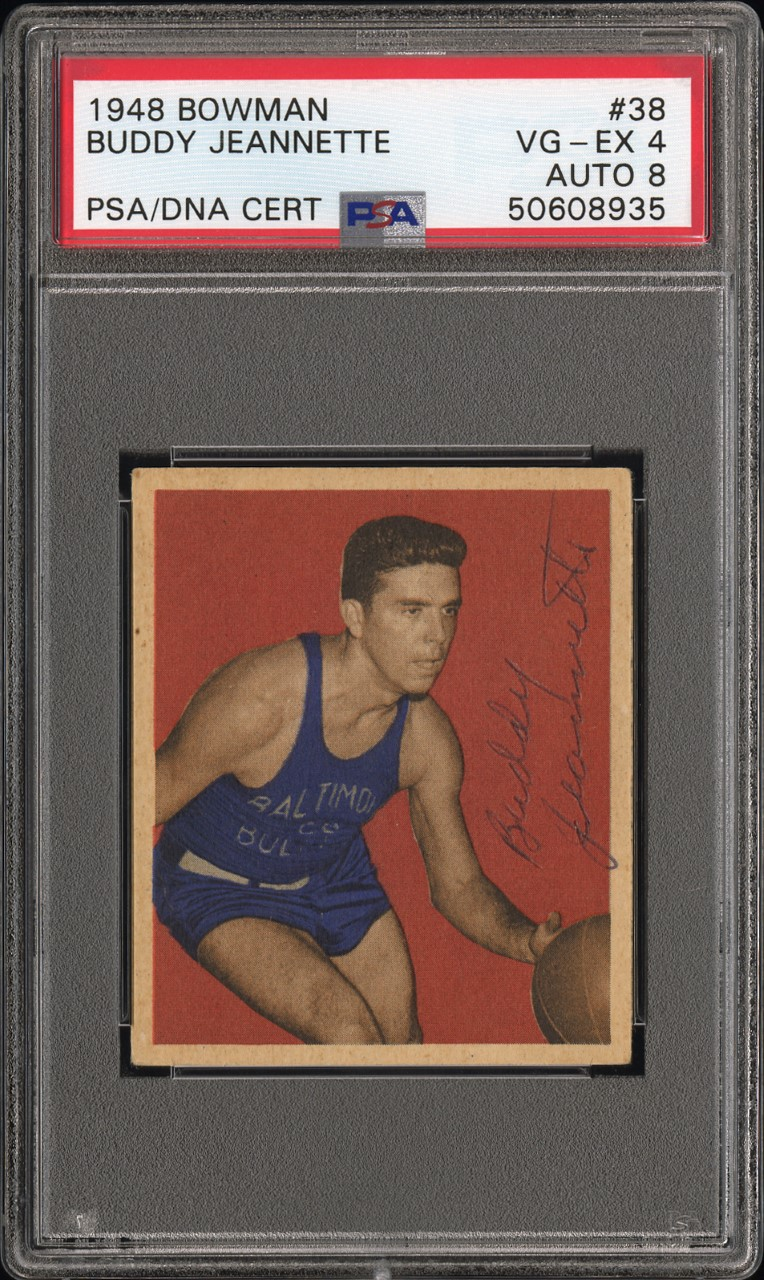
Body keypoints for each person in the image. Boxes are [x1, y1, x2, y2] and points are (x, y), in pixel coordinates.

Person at [153, 515, 561, 1045]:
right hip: (218, 883)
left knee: (403, 1045)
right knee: (348, 1033)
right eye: (411, 610)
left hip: (332, 878)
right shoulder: (262, 698)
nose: (437, 637)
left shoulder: (425, 740)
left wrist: (526, 942)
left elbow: (458, 886)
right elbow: (135, 804)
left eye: (448, 611)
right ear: (356, 616)